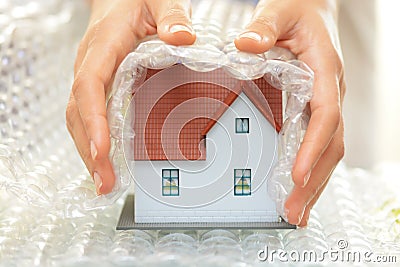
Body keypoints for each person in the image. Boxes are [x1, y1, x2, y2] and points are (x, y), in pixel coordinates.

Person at [66, 0, 345, 226]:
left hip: (281, 40)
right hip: (152, 33)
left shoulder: (255, 102)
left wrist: (318, 3)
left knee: (320, 136)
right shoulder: (167, 107)